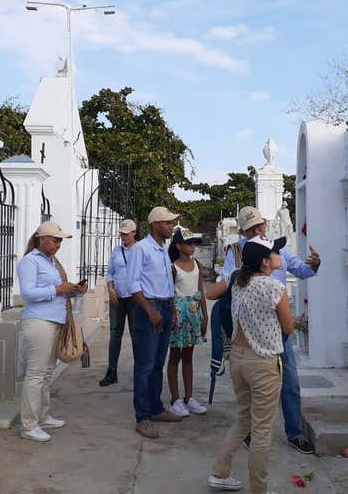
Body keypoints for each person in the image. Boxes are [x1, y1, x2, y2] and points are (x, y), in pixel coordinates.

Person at [221, 206, 320, 454]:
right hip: (253, 328)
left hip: (278, 328)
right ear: (243, 232)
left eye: (260, 225)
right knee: (256, 384)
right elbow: (227, 283)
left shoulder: (278, 249)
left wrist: (315, 265)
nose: (259, 230)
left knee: (290, 382)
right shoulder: (237, 253)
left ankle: (294, 433)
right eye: (252, 228)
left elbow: (301, 270)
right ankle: (251, 434)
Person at [208, 235, 294, 494]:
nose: (281, 255)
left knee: (244, 419)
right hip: (263, 363)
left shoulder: (238, 283)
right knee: (262, 430)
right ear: (266, 263)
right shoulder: (274, 288)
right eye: (276, 253)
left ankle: (220, 471)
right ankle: (259, 489)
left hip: (238, 358)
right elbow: (288, 326)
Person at [16, 221, 86, 443]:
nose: (58, 245)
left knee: (46, 373)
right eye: (55, 240)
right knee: (36, 374)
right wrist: (57, 289)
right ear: (41, 239)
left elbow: (57, 291)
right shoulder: (30, 262)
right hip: (39, 322)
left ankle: (42, 416)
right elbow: (28, 293)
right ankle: (29, 425)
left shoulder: (52, 262)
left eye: (60, 241)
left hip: (55, 320)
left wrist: (74, 290)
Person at [126, 206, 183, 439]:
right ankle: (143, 417)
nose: (171, 226)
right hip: (149, 308)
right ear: (155, 225)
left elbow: (167, 283)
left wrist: (173, 311)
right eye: (167, 223)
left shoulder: (162, 249)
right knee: (145, 365)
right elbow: (132, 284)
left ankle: (156, 408)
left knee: (159, 362)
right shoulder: (141, 249)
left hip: (166, 307)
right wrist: (150, 311)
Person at [166, 227, 209, 417]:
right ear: (179, 246)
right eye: (189, 243)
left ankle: (189, 397)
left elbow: (200, 291)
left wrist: (205, 315)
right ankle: (175, 399)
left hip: (193, 313)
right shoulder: (172, 267)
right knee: (175, 356)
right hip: (178, 314)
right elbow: (169, 294)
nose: (193, 247)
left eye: (194, 244)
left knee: (188, 356)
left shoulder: (197, 265)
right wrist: (172, 315)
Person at [99, 219, 139, 387]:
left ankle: (140, 371)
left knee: (137, 335)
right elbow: (110, 273)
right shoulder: (116, 251)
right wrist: (110, 289)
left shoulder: (140, 250)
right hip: (117, 297)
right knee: (115, 335)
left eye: (126, 234)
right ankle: (112, 370)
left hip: (135, 299)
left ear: (134, 233)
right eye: (121, 234)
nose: (123, 237)